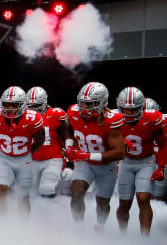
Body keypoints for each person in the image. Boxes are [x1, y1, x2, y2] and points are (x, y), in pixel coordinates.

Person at [66, 82, 125, 230]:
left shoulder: (110, 120)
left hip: (106, 166)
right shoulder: (73, 112)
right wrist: (68, 145)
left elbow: (120, 152)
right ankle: (78, 229)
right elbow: (69, 127)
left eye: (89, 104)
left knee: (103, 202)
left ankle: (99, 228)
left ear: (102, 103)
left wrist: (88, 154)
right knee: (77, 192)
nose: (84, 107)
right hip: (85, 162)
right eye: (83, 103)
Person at [114, 87, 167, 236]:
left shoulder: (152, 119)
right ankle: (122, 235)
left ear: (141, 108)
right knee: (124, 203)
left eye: (133, 109)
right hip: (126, 162)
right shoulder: (113, 118)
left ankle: (144, 238)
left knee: (143, 199)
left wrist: (161, 167)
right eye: (125, 109)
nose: (129, 113)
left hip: (146, 161)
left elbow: (163, 144)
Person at [0, 86, 45, 216]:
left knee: (23, 197)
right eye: (7, 105)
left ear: (23, 105)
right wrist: (0, 148)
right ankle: (2, 225)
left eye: (14, 105)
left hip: (23, 159)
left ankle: (23, 228)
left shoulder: (32, 118)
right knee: (0, 191)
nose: (10, 108)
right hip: (4, 158)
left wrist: (29, 152)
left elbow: (40, 139)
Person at [26, 86, 72, 198]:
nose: (33, 109)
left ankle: (49, 212)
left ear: (44, 103)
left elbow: (66, 135)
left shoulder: (55, 114)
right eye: (30, 106)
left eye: (36, 106)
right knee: (30, 192)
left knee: (47, 187)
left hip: (52, 159)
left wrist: (66, 152)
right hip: (32, 160)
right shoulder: (23, 116)